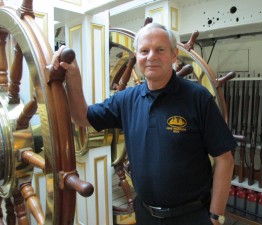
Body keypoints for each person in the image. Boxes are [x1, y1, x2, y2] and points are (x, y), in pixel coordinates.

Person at [53, 22, 236, 225]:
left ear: (174, 55)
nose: (151, 57)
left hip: (191, 216)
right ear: (136, 56)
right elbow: (81, 117)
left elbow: (225, 159)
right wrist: (73, 77)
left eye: (160, 49)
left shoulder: (197, 98)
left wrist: (216, 216)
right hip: (145, 214)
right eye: (144, 50)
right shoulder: (126, 99)